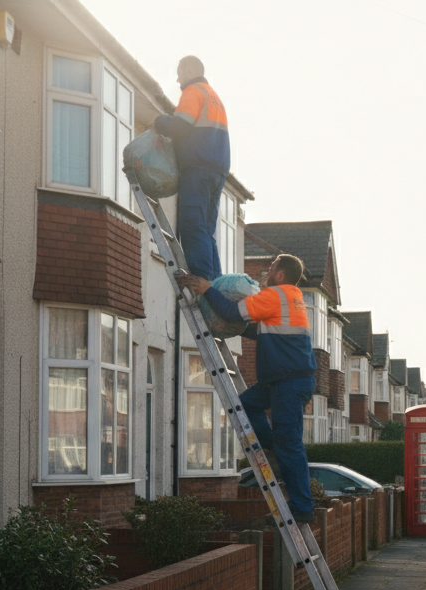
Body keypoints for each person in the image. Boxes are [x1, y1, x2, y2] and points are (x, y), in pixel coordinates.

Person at [177, 254, 316, 523]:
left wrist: (208, 290)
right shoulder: (291, 298)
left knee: (291, 445)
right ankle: (273, 448)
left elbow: (233, 312)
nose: (266, 272)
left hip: (288, 382)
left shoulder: (275, 295)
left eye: (271, 267)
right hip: (284, 380)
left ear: (280, 275)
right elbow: (256, 330)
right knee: (246, 404)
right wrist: (226, 327)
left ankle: (302, 507)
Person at [155, 55, 230, 282]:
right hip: (216, 170)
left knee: (191, 225)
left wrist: (160, 121)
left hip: (197, 167)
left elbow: (181, 125)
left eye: (179, 74)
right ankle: (214, 284)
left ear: (188, 71)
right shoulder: (214, 97)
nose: (178, 80)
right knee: (206, 231)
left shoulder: (193, 91)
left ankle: (202, 281)